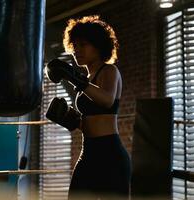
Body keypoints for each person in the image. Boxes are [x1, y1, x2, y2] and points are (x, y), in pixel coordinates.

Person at [45, 15, 131, 200]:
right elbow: (92, 120)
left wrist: (76, 79)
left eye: (83, 45)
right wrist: (72, 120)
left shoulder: (109, 71)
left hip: (110, 155)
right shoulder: (88, 80)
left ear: (98, 46)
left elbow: (107, 101)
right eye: (74, 45)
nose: (77, 50)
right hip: (89, 152)